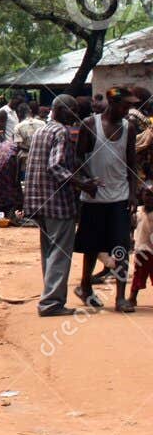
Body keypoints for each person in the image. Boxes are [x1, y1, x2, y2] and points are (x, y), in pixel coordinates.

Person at [74, 86, 140, 312]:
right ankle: (85, 286)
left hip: (119, 197)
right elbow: (76, 160)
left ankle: (120, 297)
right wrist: (85, 181)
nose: (128, 109)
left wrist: (132, 193)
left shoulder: (129, 128)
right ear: (113, 104)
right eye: (125, 105)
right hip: (93, 199)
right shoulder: (90, 126)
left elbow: (132, 164)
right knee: (91, 247)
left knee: (121, 247)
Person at [130, 184, 153, 308]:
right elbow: (131, 226)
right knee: (138, 276)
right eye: (148, 194)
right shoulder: (137, 211)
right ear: (141, 195)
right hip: (141, 251)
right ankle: (133, 298)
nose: (150, 198)